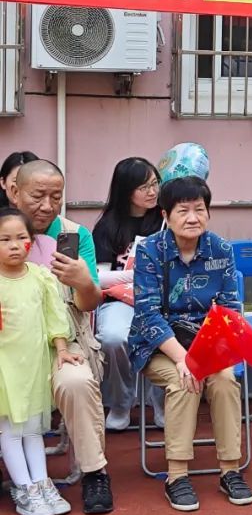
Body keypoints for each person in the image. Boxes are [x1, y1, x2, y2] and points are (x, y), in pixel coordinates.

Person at [128, 176, 252, 512]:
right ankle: (177, 475)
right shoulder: (150, 251)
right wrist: (185, 359)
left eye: (200, 209)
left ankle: (230, 469)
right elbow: (147, 314)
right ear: (166, 215)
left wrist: (204, 356)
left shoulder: (220, 249)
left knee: (226, 380)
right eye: (183, 210)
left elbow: (229, 309)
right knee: (184, 382)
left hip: (208, 342)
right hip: (158, 343)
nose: (193, 217)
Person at [12, 159, 113, 515]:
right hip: (8, 344)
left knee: (77, 382)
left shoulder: (75, 235)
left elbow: (87, 304)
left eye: (56, 196)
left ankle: (94, 472)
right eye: (38, 195)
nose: (47, 205)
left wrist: (82, 281)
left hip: (62, 342)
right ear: (13, 191)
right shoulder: (2, 231)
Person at [0, 208, 77, 515]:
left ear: (32, 242)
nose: (15, 245)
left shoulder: (42, 278)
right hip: (4, 369)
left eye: (22, 238)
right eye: (5, 239)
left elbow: (55, 316)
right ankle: (24, 487)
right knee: (9, 428)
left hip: (33, 364)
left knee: (33, 427)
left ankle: (42, 483)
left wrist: (61, 348)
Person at [92, 157, 165, 432]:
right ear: (126, 190)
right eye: (144, 186)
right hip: (119, 299)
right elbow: (98, 277)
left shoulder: (165, 219)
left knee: (167, 333)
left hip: (160, 300)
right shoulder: (108, 226)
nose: (152, 192)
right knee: (112, 337)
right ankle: (121, 401)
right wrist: (133, 276)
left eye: (155, 183)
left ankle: (161, 401)